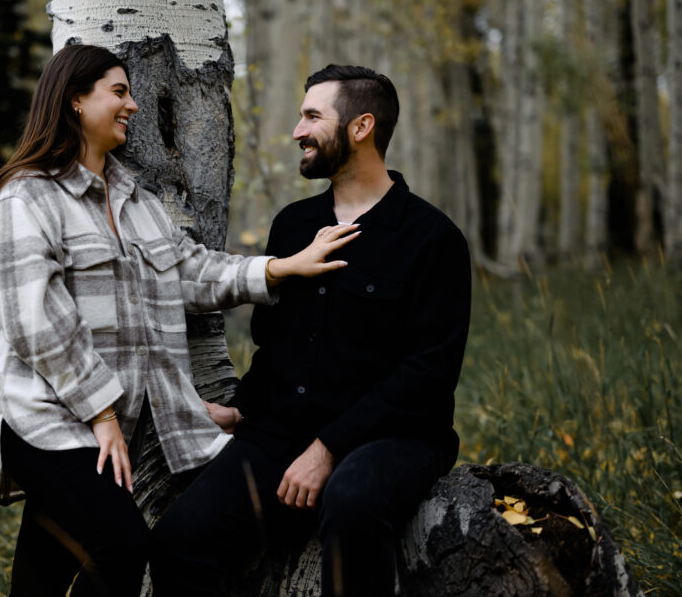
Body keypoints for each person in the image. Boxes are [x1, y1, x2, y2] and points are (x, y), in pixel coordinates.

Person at [0, 44, 359, 597]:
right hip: (44, 412)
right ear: (75, 99)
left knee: (49, 558)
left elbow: (191, 272)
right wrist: (100, 412)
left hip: (100, 421)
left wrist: (282, 267)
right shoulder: (27, 197)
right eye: (118, 92)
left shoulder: (136, 202)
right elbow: (34, 321)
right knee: (121, 545)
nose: (133, 105)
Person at [150, 65, 472, 596]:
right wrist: (244, 409)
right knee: (178, 542)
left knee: (352, 503)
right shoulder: (295, 225)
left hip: (395, 437)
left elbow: (428, 375)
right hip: (284, 433)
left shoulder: (432, 238)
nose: (298, 130)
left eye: (312, 116)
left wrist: (326, 448)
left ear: (361, 127)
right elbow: (275, 343)